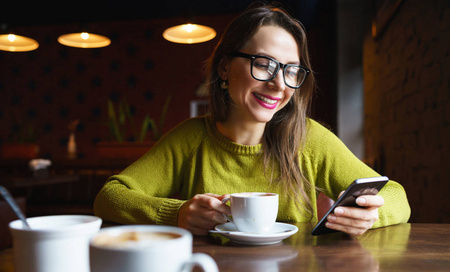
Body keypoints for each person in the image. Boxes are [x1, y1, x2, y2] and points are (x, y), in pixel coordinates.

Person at [94, 3, 410, 236]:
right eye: (264, 64)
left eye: (290, 70)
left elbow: (396, 195)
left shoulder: (307, 139)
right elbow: (110, 196)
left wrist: (370, 216)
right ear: (224, 69)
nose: (279, 84)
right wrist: (175, 213)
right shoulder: (191, 139)